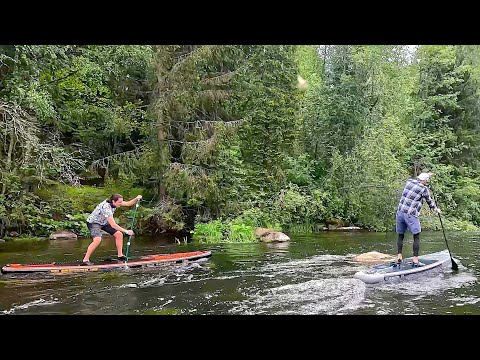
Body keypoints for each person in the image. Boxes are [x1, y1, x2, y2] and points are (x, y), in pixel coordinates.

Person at [82, 194, 142, 265]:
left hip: (104, 222)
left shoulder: (115, 202)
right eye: (119, 202)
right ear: (113, 201)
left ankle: (120, 255)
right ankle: (85, 260)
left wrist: (136, 198)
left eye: (121, 202)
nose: (121, 203)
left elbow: (128, 204)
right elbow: (113, 225)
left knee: (119, 234)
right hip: (94, 222)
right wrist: (126, 231)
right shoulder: (106, 208)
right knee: (97, 239)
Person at [396, 172, 441, 267]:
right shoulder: (424, 189)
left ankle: (399, 256)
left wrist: (427, 175)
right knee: (416, 236)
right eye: (427, 180)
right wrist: (436, 209)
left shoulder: (409, 182)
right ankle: (415, 260)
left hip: (400, 212)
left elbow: (415, 179)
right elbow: (429, 202)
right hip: (410, 214)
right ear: (425, 181)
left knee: (401, 235)